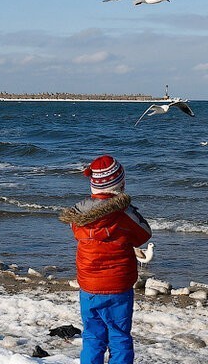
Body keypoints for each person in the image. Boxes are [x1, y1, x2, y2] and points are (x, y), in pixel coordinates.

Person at [59, 154, 152, 364]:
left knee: (92, 336)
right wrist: (127, 206)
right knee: (119, 336)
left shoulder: (78, 215)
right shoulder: (124, 214)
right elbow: (144, 234)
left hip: (89, 285)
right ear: (121, 185)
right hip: (118, 285)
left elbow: (77, 232)